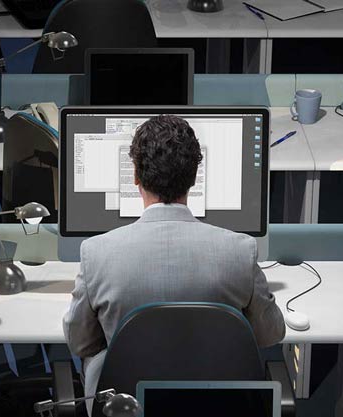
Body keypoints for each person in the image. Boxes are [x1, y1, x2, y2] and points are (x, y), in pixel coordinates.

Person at [62, 115, 285, 406]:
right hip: (217, 407)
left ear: (136, 177)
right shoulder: (240, 251)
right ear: (194, 178)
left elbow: (80, 342)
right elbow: (271, 334)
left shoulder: (96, 253)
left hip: (126, 408)